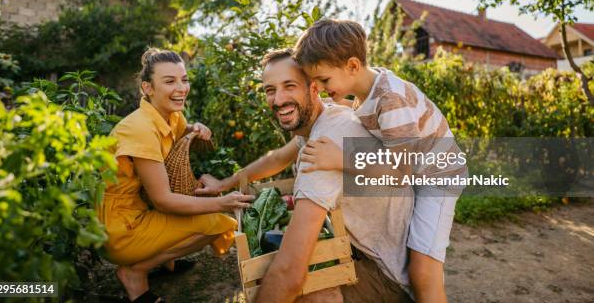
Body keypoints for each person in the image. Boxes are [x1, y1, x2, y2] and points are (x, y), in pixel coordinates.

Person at [196, 49, 414, 302]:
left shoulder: (322, 147)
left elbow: (289, 274)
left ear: (314, 87)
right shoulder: (323, 117)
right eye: (270, 89)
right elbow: (277, 158)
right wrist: (223, 184)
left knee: (288, 285)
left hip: (385, 277)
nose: (278, 100)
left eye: (290, 86)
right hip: (379, 253)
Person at [292, 19, 467, 303]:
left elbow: (399, 172)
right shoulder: (364, 94)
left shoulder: (390, 99)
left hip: (438, 175)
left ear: (351, 66)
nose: (322, 89)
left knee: (423, 270)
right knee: (416, 255)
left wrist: (342, 158)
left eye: (324, 80)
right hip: (417, 173)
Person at [97, 48, 253, 303]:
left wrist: (196, 128)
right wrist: (221, 202)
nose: (181, 88)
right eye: (169, 81)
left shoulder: (169, 116)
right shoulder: (139, 129)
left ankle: (164, 259)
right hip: (120, 228)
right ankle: (135, 272)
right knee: (217, 221)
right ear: (148, 88)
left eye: (184, 79)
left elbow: (180, 132)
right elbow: (163, 201)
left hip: (138, 209)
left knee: (197, 211)